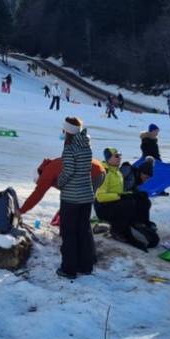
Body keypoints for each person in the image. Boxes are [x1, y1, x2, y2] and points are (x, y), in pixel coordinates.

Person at [56, 117, 95, 279]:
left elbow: (69, 172)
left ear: (68, 131)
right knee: (84, 231)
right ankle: (85, 266)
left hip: (71, 198)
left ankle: (69, 269)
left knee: (69, 233)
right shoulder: (86, 146)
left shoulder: (70, 149)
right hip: (86, 196)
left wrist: (59, 182)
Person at [95, 148, 153, 251]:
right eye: (116, 156)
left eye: (120, 155)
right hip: (102, 207)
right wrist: (120, 196)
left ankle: (138, 223)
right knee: (128, 203)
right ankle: (118, 231)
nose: (119, 158)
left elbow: (121, 191)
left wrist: (129, 194)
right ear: (108, 158)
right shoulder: (105, 172)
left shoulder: (117, 173)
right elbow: (100, 197)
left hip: (112, 203)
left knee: (140, 197)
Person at [19, 156, 107, 215]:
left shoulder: (47, 172)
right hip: (99, 171)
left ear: (40, 176)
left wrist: (21, 211)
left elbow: (37, 194)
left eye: (39, 182)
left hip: (92, 173)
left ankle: (80, 231)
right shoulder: (54, 166)